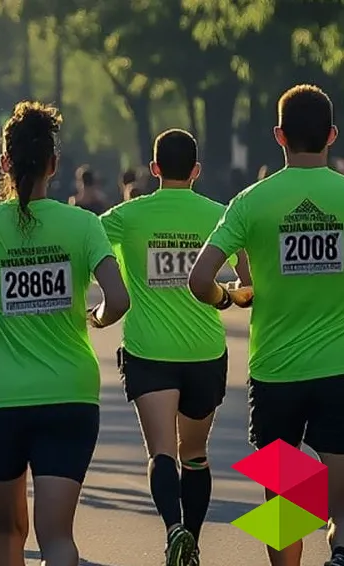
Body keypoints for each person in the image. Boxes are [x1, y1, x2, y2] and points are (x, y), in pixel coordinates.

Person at [0, 101, 129, 566]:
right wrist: (95, 318)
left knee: (9, 532)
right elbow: (118, 299)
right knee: (57, 536)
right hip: (69, 394)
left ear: (4, 163)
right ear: (53, 164)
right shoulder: (83, 224)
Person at [189, 84, 344, 566]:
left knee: (287, 507)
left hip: (277, 371)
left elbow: (199, 279)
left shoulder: (251, 202)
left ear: (279, 136)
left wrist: (229, 296)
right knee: (341, 500)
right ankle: (340, 547)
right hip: (339, 369)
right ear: (332, 135)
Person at [101, 129, 251, 566]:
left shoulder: (126, 216)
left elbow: (84, 244)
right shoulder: (219, 215)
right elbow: (247, 281)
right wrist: (228, 293)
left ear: (154, 169)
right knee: (196, 454)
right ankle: (194, 544)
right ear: (197, 171)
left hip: (149, 351)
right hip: (204, 352)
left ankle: (174, 530)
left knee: (162, 452)